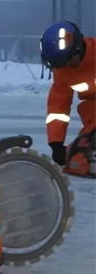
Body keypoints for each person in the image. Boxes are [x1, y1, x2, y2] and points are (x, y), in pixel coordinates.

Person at [41, 21, 95, 170]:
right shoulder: (63, 71)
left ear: (78, 49)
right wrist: (56, 143)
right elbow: (58, 109)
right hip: (93, 115)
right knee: (78, 157)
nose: (64, 66)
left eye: (65, 61)